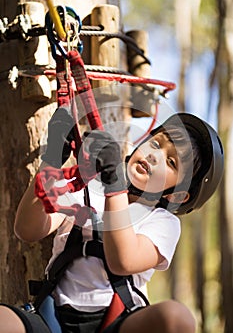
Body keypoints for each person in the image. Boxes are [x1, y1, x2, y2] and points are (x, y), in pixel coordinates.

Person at [0, 108, 224, 333]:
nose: (154, 156)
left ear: (176, 195)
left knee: (176, 318)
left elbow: (123, 261)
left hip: (117, 322)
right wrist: (52, 161)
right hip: (53, 317)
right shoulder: (87, 187)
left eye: (172, 162)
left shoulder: (163, 222)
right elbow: (26, 230)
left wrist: (113, 186)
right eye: (156, 144)